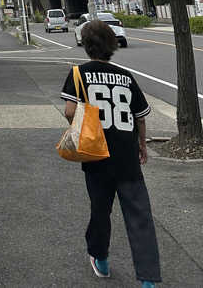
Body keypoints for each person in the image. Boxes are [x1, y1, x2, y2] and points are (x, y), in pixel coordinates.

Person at [60, 18, 161, 286]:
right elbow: (140, 116)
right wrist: (141, 145)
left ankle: (100, 259)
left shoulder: (79, 74)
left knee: (100, 211)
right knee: (140, 217)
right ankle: (148, 279)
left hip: (96, 157)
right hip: (127, 157)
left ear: (85, 44)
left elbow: (70, 111)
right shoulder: (125, 76)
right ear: (112, 45)